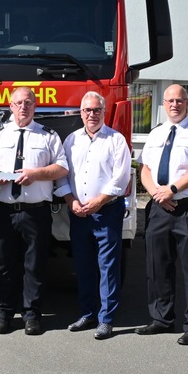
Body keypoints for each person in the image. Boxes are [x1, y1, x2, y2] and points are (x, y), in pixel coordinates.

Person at [0, 86, 68, 336]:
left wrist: (36, 174)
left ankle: (32, 315)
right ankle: (4, 314)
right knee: (3, 264)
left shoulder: (47, 135)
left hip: (36, 211)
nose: (23, 107)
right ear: (10, 106)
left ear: (35, 106)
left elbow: (62, 167)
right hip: (4, 210)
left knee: (34, 264)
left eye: (28, 103)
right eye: (18, 103)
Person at [136, 84, 188, 346]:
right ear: (163, 104)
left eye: (179, 100)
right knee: (158, 265)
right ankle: (161, 319)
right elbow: (145, 169)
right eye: (170, 101)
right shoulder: (156, 133)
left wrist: (172, 190)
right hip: (160, 208)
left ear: (187, 103)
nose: (175, 105)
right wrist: (158, 195)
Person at [57, 91, 131, 340]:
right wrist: (70, 200)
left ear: (104, 112)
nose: (91, 114)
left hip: (107, 211)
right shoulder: (71, 141)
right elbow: (62, 175)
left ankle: (106, 319)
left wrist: (99, 201)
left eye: (96, 110)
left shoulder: (116, 140)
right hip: (78, 213)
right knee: (83, 265)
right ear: (81, 112)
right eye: (87, 110)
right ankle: (88, 314)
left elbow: (121, 178)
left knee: (108, 266)